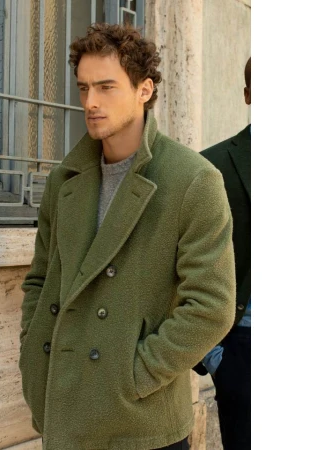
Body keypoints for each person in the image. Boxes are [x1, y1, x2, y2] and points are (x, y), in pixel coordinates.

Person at [19, 23, 236, 450]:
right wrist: (32, 349)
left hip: (140, 421)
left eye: (106, 87)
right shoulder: (65, 179)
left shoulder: (193, 180)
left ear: (144, 89)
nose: (91, 102)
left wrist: (135, 372)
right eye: (84, 88)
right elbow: (40, 280)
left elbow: (212, 306)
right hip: (64, 408)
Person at [197, 57, 251, 450]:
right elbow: (181, 266)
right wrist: (215, 357)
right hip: (245, 348)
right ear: (248, 95)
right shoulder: (211, 166)